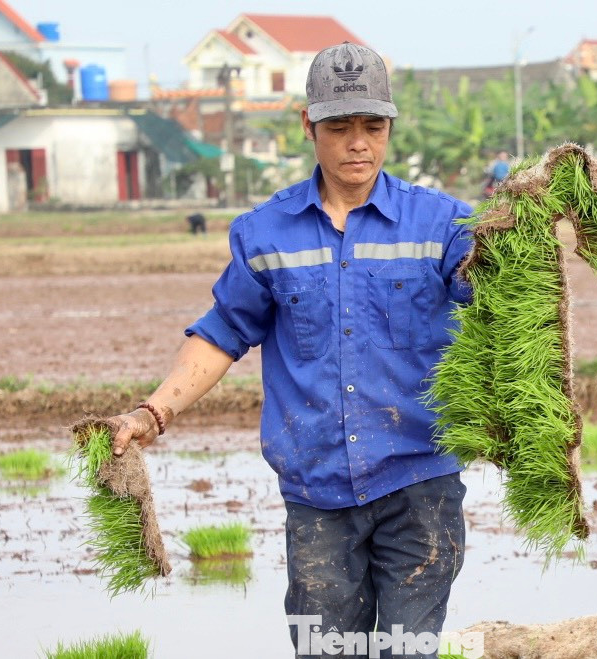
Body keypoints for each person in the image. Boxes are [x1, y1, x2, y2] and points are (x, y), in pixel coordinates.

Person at [104, 42, 474, 658]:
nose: (358, 144)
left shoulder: (442, 225)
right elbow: (223, 331)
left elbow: (498, 294)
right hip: (316, 498)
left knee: (408, 653)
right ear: (309, 125)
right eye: (340, 127)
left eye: (373, 127)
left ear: (389, 127)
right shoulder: (265, 233)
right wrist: (153, 412)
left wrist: (527, 237)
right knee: (322, 653)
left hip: (421, 491)